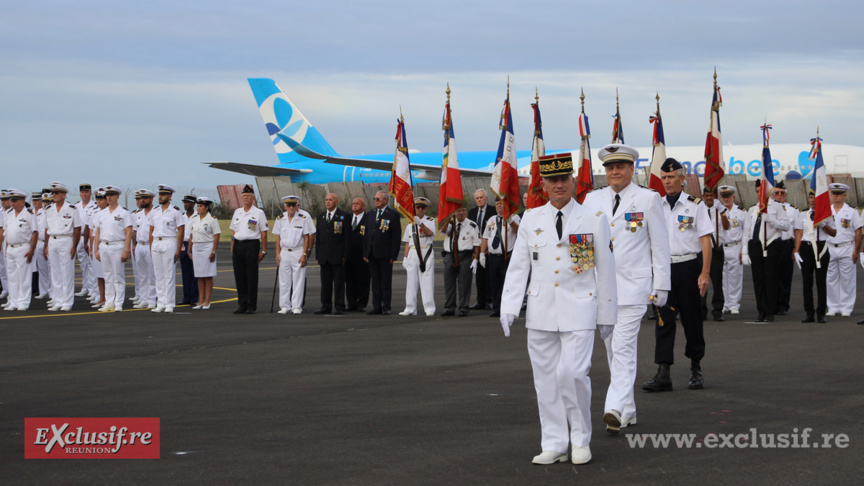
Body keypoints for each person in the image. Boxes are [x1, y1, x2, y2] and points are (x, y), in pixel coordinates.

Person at [499, 152, 617, 465]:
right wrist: (509, 305)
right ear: (544, 185)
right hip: (541, 310)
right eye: (552, 180)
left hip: (580, 308)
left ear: (573, 182)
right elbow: (519, 265)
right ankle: (554, 443)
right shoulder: (531, 218)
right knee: (546, 380)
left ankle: (580, 439)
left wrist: (607, 313)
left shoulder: (593, 218)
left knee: (573, 374)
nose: (559, 185)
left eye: (564, 179)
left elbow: (605, 269)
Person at [583, 143, 670, 434]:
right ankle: (628, 410)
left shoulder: (648, 198)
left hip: (633, 287)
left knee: (622, 347)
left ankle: (615, 407)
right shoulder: (592, 199)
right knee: (612, 350)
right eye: (610, 167)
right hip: (601, 289)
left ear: (632, 169)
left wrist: (662, 285)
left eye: (620, 166)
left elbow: (660, 245)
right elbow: (583, 242)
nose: (614, 172)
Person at [643, 158, 711, 392]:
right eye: (663, 178)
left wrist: (705, 273)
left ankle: (696, 367)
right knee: (663, 320)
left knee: (692, 320)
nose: (667, 181)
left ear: (682, 179)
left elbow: (705, 240)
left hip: (689, 267)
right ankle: (664, 372)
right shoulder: (656, 206)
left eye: (671, 177)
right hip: (663, 270)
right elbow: (648, 241)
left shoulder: (695, 205)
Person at [741, 180, 791, 322]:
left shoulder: (777, 207)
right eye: (757, 191)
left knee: (770, 279)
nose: (760, 194)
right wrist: (744, 251)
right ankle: (761, 310)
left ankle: (770, 311)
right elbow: (747, 231)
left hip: (771, 244)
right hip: (756, 245)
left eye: (762, 191)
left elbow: (786, 226)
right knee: (758, 280)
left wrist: (772, 220)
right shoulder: (752, 209)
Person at [794, 192, 836, 323]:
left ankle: (821, 312)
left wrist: (823, 224)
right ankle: (809, 312)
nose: (813, 200)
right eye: (811, 197)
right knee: (807, 281)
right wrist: (796, 250)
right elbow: (799, 233)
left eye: (815, 198)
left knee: (821, 281)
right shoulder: (803, 214)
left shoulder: (827, 214)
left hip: (821, 247)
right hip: (806, 248)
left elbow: (834, 233)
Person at [229, 184, 268, 314]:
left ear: (253, 198)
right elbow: (234, 231)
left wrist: (263, 251)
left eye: (248, 196)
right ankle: (242, 304)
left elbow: (264, 233)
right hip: (238, 246)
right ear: (241, 198)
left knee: (251, 276)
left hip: (251, 245)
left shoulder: (258, 213)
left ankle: (251, 305)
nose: (246, 198)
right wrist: (232, 247)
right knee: (239, 276)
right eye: (244, 196)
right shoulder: (237, 212)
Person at [43, 182, 82, 311]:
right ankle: (58, 300)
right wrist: (46, 245)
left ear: (64, 195)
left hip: (66, 240)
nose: (54, 195)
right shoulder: (49, 209)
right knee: (55, 273)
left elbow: (77, 228)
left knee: (67, 272)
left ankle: (67, 301)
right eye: (53, 193)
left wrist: (74, 246)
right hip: (52, 240)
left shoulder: (71, 209)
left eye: (57, 193)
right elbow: (46, 228)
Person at [93, 186, 133, 312]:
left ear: (117, 197)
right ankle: (109, 302)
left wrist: (126, 249)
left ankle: (118, 302)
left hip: (117, 245)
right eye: (108, 195)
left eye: (112, 195)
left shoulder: (124, 213)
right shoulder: (101, 213)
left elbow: (129, 231)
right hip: (104, 246)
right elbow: (97, 232)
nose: (109, 198)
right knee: (107, 276)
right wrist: (96, 250)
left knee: (118, 276)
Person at [824, 183, 861, 317]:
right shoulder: (827, 210)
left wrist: (856, 250)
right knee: (831, 279)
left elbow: (858, 231)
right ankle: (833, 307)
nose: (835, 196)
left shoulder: (851, 211)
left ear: (844, 195)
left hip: (847, 247)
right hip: (830, 246)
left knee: (847, 279)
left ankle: (846, 307)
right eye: (833, 193)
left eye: (838, 194)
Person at [273, 195, 315, 315]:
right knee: (284, 281)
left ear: (297, 206)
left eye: (293, 205)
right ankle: (285, 306)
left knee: (298, 281)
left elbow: (307, 237)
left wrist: (304, 254)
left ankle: (297, 306)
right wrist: (277, 254)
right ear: (285, 206)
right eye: (289, 205)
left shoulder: (303, 218)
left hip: (298, 251)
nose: (291, 207)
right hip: (285, 251)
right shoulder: (280, 219)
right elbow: (278, 237)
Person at [480, 198, 520, 318]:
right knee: (495, 283)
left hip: (507, 256)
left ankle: (508, 308)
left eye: (501, 204)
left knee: (507, 284)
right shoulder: (492, 219)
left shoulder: (514, 217)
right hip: (493, 257)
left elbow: (518, 231)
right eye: (497, 204)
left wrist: (510, 221)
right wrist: (482, 253)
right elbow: (485, 237)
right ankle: (497, 308)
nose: (499, 206)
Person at [148, 184, 186, 313]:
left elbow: (181, 231)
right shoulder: (154, 211)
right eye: (160, 194)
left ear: (170, 196)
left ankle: (169, 303)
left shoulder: (175, 212)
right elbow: (151, 230)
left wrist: (178, 249)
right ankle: (161, 303)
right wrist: (151, 246)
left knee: (168, 275)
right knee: (158, 275)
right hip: (156, 242)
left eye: (163, 194)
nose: (161, 197)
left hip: (169, 241)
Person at [363, 191, 401, 315]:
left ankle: (386, 306)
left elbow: (396, 237)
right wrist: (366, 252)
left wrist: (393, 255)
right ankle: (376, 306)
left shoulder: (393, 215)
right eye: (375, 199)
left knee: (385, 282)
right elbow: (366, 235)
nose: (375, 201)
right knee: (375, 282)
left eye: (378, 199)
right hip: (372, 253)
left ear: (385, 200)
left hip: (385, 254)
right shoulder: (370, 214)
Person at [0, 190, 38, 311]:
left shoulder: (29, 214)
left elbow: (35, 233)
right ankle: (14, 301)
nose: (13, 203)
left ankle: (23, 302)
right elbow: (6, 232)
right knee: (12, 277)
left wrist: (32, 250)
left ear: (23, 201)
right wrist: (6, 249)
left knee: (23, 277)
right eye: (12, 201)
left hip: (23, 247)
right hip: (10, 248)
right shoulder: (8, 214)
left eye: (15, 201)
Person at [439, 206, 480, 317]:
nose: (461, 213)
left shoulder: (472, 225)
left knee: (464, 283)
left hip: (465, 256)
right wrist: (448, 219)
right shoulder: (450, 223)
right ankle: (449, 307)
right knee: (449, 283)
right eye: (458, 211)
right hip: (449, 255)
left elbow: (477, 243)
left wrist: (476, 259)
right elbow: (442, 231)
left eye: (463, 211)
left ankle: (463, 307)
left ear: (466, 212)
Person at [399, 197, 437, 316]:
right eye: (418, 207)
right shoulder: (409, 223)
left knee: (427, 280)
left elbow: (430, 233)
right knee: (411, 281)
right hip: (413, 252)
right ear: (414, 208)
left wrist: (420, 223)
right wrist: (405, 258)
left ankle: (429, 308)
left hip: (426, 251)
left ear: (426, 209)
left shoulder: (430, 220)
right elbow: (407, 242)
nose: (420, 209)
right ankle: (410, 308)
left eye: (423, 207)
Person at [315, 193, 350, 315]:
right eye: (326, 200)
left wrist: (345, 255)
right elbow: (318, 237)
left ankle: (339, 306)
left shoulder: (344, 216)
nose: (328, 202)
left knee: (339, 283)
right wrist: (318, 254)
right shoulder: (321, 216)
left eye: (330, 200)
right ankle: (326, 305)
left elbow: (347, 237)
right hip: (324, 256)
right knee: (325, 284)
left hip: (338, 255)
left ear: (336, 202)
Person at [717, 185, 749, 315]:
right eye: (723, 197)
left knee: (735, 277)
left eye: (728, 196)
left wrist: (744, 251)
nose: (726, 199)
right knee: (722, 277)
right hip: (721, 247)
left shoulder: (741, 212)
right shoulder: (717, 211)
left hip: (735, 246)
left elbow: (746, 232)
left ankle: (734, 304)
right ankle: (725, 303)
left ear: (733, 197)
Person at [700, 186, 730, 321]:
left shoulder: (721, 210)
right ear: (703, 196)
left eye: (711, 196)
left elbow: (726, 226)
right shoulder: (699, 209)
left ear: (715, 197)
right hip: (702, 251)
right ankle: (701, 311)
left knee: (717, 282)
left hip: (716, 250)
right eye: (707, 196)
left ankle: (717, 311)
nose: (709, 198)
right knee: (701, 281)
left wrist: (722, 211)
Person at [187, 197, 222, 310]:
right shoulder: (194, 219)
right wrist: (189, 250)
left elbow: (217, 236)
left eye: (201, 206)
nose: (199, 208)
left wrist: (213, 251)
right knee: (199, 275)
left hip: (207, 246)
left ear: (207, 207)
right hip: (196, 247)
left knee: (207, 275)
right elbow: (191, 236)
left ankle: (207, 301)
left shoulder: (212, 220)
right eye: (198, 206)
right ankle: (201, 300)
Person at [772, 181, 797, 315]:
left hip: (787, 244)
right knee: (772, 276)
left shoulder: (792, 210)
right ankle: (772, 304)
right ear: (773, 194)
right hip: (772, 245)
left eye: (782, 193)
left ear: (786, 194)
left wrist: (796, 248)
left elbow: (798, 230)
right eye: (777, 193)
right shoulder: (769, 208)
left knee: (785, 276)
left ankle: (783, 305)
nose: (779, 195)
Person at [467, 189, 494, 310]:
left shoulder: (492, 211)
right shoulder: (472, 212)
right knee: (478, 276)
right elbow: (469, 231)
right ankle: (480, 300)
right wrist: (473, 249)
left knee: (488, 276)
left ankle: (489, 300)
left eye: (481, 197)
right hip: (476, 248)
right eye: (477, 198)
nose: (479, 200)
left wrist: (489, 247)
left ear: (486, 198)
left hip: (488, 248)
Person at [132, 189, 157, 309]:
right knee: (141, 275)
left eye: (145, 198)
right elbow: (134, 231)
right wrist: (134, 245)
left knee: (151, 274)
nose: (142, 200)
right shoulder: (138, 214)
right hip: (139, 245)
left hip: (149, 245)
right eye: (141, 198)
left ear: (151, 199)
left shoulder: (156, 213)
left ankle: (151, 299)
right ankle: (143, 298)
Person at [345, 197, 370, 312]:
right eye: (353, 203)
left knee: (363, 280)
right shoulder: (347, 218)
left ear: (363, 206)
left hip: (362, 255)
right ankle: (351, 303)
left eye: (357, 203)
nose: (354, 205)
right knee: (350, 280)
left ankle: (362, 303)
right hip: (349, 255)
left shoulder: (368, 218)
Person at [74, 184, 97, 299]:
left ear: (90, 194)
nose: (84, 194)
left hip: (90, 237)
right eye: (82, 192)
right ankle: (85, 287)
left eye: (86, 192)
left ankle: (93, 289)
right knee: (83, 265)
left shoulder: (94, 205)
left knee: (91, 264)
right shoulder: (76, 206)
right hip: (79, 237)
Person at [87, 189, 108, 309]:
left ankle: (108, 298)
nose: (99, 202)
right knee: (99, 274)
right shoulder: (94, 213)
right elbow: (92, 232)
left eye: (101, 199)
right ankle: (101, 297)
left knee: (108, 275)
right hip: (96, 245)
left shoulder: (109, 213)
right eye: (98, 199)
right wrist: (92, 248)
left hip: (106, 244)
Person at [179, 194, 199, 306]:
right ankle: (186, 297)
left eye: (188, 203)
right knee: (185, 273)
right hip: (184, 245)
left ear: (193, 204)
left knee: (194, 273)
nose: (186, 204)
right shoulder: (182, 216)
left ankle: (194, 298)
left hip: (194, 245)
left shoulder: (197, 216)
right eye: (185, 202)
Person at [32, 191, 51, 300]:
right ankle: (43, 291)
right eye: (44, 201)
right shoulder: (36, 213)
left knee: (51, 268)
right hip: (39, 242)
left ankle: (52, 292)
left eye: (47, 201)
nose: (46, 204)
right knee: (41, 268)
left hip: (48, 242)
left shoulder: (49, 212)